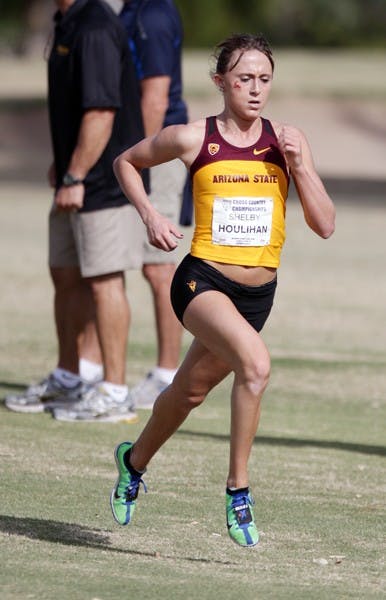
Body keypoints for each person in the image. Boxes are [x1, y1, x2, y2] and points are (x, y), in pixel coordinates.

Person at [108, 33, 336, 546]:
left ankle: (133, 461)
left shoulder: (288, 140)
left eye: (264, 79)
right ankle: (238, 491)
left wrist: (299, 167)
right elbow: (126, 162)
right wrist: (150, 214)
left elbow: (325, 225)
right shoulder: (192, 138)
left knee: (187, 393)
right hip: (201, 282)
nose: (255, 90)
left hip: (257, 297)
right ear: (220, 82)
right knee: (255, 366)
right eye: (243, 79)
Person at [5, 0, 147, 423]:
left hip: (102, 182)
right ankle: (69, 378)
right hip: (75, 177)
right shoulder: (66, 22)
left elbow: (102, 113)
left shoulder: (96, 26)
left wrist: (77, 175)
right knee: (65, 275)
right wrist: (64, 165)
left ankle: (115, 390)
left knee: (104, 282)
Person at [118, 0, 188, 409]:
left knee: (158, 265)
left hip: (155, 149)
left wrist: (138, 162)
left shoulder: (153, 13)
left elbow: (156, 96)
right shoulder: (129, 10)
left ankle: (167, 373)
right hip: (139, 149)